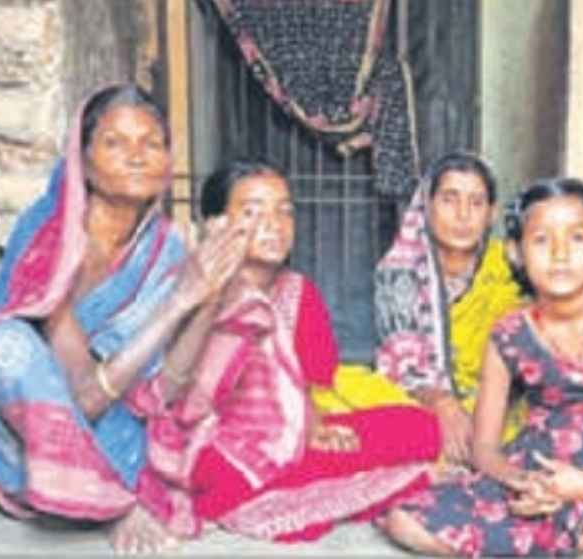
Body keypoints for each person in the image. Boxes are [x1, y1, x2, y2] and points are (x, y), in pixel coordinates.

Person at [0, 83, 251, 554]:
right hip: (22, 446)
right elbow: (83, 399)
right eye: (115, 142)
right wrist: (177, 303)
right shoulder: (49, 238)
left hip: (115, 432)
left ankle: (103, 490)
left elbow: (164, 391)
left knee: (206, 437)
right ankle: (112, 501)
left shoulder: (165, 249)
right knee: (3, 347)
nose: (137, 156)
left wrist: (208, 293)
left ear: (168, 161)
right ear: (82, 162)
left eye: (152, 143)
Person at [382, 178, 583, 556]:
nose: (560, 254)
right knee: (402, 521)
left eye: (577, 238)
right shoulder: (508, 333)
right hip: (532, 473)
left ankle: (543, 530)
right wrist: (524, 483)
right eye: (541, 240)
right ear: (516, 252)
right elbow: (485, 448)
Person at [141, 159, 442, 542]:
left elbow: (306, 387)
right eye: (252, 211)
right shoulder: (189, 285)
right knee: (218, 474)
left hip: (291, 439)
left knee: (421, 427)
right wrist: (211, 294)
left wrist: (313, 429)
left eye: (284, 211)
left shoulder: (299, 293)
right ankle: (361, 485)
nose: (275, 224)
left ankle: (292, 485)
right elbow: (181, 403)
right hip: (215, 447)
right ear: (215, 223)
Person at [315, 152, 526, 471]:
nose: (463, 215)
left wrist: (467, 407)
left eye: (476, 203)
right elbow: (405, 367)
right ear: (426, 205)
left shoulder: (511, 267)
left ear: (491, 213)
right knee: (331, 387)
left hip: (491, 399)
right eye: (450, 200)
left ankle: (425, 449)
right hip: (420, 396)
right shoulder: (399, 271)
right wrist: (441, 402)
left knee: (507, 421)